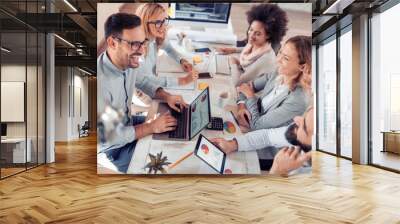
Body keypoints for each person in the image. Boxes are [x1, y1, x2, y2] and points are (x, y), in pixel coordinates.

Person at [97, 13, 188, 173]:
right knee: (161, 167)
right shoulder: (101, 84)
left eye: (143, 43)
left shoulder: (127, 63)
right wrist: (150, 127)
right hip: (112, 149)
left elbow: (145, 83)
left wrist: (168, 97)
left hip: (127, 122)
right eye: (134, 44)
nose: (141, 51)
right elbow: (111, 136)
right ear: (112, 42)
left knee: (176, 126)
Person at [235, 35, 312, 131]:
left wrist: (250, 96)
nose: (278, 59)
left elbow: (257, 126)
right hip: (248, 121)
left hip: (260, 139)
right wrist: (241, 106)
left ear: (303, 67)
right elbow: (244, 87)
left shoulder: (298, 100)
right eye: (280, 53)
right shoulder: (278, 72)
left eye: (286, 58)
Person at [211, 107, 314, 174]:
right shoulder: (298, 132)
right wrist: (232, 144)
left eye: (304, 126)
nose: (295, 119)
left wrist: (277, 171)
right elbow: (267, 136)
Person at [217, 4, 288, 86]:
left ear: (268, 35)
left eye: (257, 34)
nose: (251, 35)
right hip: (242, 72)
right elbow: (251, 49)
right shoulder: (257, 43)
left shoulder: (265, 59)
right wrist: (233, 50)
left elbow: (237, 83)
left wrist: (234, 64)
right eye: (251, 29)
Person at [136, 3, 198, 87]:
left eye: (164, 21)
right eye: (157, 22)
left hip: (154, 79)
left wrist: (182, 61)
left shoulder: (153, 37)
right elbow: (148, 80)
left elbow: (169, 49)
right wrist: (183, 81)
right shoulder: (138, 50)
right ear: (144, 23)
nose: (163, 27)